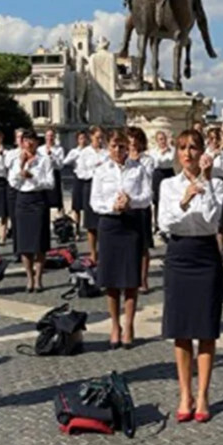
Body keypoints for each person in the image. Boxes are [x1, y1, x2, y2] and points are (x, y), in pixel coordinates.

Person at [159, 129, 223, 424]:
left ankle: (203, 395)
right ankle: (185, 393)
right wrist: (184, 201)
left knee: (206, 330)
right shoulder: (168, 186)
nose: (188, 154)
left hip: (205, 255)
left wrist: (207, 183)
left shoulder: (217, 184)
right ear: (177, 153)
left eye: (193, 148)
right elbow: (165, 221)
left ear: (202, 153)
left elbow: (212, 222)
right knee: (181, 329)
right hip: (179, 255)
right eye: (183, 148)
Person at [91, 129, 150, 349]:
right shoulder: (101, 171)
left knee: (131, 279)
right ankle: (115, 325)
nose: (119, 150)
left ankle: (129, 324)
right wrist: (112, 206)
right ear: (108, 147)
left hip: (131, 224)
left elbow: (147, 197)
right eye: (115, 146)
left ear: (129, 147)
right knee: (112, 280)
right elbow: (94, 201)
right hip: (110, 224)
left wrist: (131, 201)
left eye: (123, 146)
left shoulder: (139, 169)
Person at [8, 131, 54, 292]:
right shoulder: (16, 159)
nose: (29, 144)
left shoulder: (45, 160)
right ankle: (29, 277)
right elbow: (12, 182)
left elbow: (50, 183)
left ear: (36, 143)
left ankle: (38, 278)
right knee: (25, 243)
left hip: (39, 200)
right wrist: (21, 168)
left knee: (40, 242)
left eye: (32, 141)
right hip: (22, 200)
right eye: (26, 141)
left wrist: (32, 177)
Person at [127, 127, 155, 293]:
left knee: (143, 245)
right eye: (129, 139)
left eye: (135, 139)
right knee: (128, 244)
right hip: (126, 206)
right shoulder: (122, 157)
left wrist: (135, 161)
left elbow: (147, 178)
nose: (132, 142)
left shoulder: (147, 160)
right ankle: (130, 277)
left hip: (141, 205)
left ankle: (143, 279)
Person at [80, 126, 108, 263]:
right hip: (90, 185)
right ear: (91, 137)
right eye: (97, 137)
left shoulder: (106, 153)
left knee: (103, 221)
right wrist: (95, 171)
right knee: (91, 224)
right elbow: (80, 172)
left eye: (101, 137)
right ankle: (92, 252)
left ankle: (104, 250)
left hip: (104, 187)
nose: (100, 140)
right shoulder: (85, 153)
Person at [205, 127, 223, 253]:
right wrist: (212, 156)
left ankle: (220, 252)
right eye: (211, 138)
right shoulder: (204, 152)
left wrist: (218, 154)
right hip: (207, 183)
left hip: (219, 184)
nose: (214, 141)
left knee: (220, 222)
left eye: (216, 138)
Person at [151, 130, 175, 233]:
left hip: (169, 173)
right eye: (160, 139)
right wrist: (162, 152)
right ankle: (157, 224)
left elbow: (171, 160)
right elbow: (157, 162)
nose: (163, 141)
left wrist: (167, 150)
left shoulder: (172, 150)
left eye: (164, 139)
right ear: (157, 141)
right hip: (158, 174)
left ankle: (170, 221)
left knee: (170, 198)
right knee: (157, 199)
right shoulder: (154, 151)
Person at [4, 129, 25, 246]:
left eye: (23, 137)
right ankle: (17, 248)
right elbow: (6, 165)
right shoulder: (11, 153)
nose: (21, 140)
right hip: (13, 188)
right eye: (18, 137)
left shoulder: (33, 153)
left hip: (27, 189)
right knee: (15, 219)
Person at [43, 127, 66, 214]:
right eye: (48, 136)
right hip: (44, 175)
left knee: (57, 199)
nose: (50, 138)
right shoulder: (40, 149)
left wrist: (51, 155)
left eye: (52, 136)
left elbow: (60, 165)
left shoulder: (59, 149)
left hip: (54, 173)